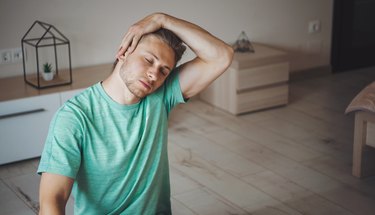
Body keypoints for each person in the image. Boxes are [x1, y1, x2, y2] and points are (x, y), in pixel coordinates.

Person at [37, 12, 233, 214]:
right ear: (124, 51)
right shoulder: (73, 117)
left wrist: (162, 19)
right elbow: (52, 200)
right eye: (149, 60)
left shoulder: (162, 95)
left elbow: (222, 55)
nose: (154, 74)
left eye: (164, 71)